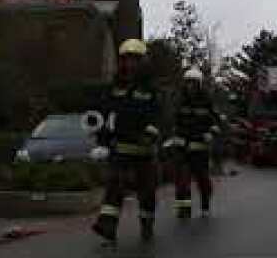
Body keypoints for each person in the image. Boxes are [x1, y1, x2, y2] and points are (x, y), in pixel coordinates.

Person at [90, 38, 161, 244]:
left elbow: (158, 116)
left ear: (143, 62)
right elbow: (103, 116)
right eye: (127, 59)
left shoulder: (150, 90)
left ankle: (147, 223)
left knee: (146, 193)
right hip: (119, 150)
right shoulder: (114, 88)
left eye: (135, 60)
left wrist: (151, 133)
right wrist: (102, 142)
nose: (131, 64)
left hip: (144, 152)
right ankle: (107, 226)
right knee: (114, 187)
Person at [167, 67, 217, 218]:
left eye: (194, 83)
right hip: (182, 149)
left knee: (203, 180)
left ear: (199, 84)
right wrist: (172, 135)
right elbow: (171, 120)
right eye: (188, 83)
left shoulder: (206, 101)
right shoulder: (179, 101)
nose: (190, 87)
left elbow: (215, 121)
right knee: (182, 181)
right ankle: (184, 209)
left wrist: (211, 132)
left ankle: (205, 205)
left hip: (200, 149)